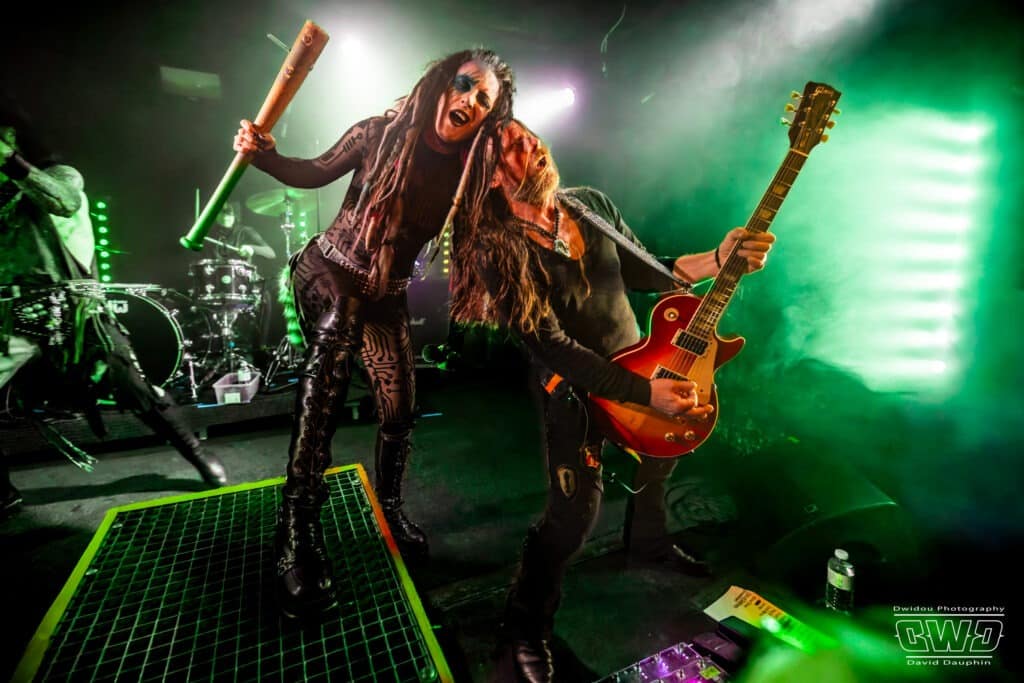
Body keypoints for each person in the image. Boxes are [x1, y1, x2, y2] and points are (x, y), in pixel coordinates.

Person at [450, 119, 775, 681]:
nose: (532, 144)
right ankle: (524, 628)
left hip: (642, 368)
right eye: (513, 146)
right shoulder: (496, 249)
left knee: (660, 459)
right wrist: (647, 393)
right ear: (492, 176)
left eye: (528, 134)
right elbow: (554, 347)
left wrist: (720, 259)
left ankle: (648, 545)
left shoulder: (589, 205)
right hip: (574, 391)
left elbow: (652, 271)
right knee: (573, 518)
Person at [233, 48, 515, 618]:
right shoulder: (376, 134)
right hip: (328, 269)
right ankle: (296, 527)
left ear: (488, 118)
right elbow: (311, 172)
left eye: (483, 99)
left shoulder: (469, 175)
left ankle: (388, 507)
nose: (469, 100)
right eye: (465, 85)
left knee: (399, 406)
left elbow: (499, 231)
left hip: (384, 293)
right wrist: (264, 156)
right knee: (334, 352)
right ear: (442, 83)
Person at [0, 93, 227, 517]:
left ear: (14, 135)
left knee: (134, 387)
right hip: (11, 318)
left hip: (70, 312)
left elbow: (64, 201)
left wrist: (9, 162)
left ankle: (197, 454)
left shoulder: (59, 175)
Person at [211, 201, 276, 261]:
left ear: (235, 215)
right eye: (221, 213)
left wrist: (251, 248)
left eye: (229, 213)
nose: (225, 217)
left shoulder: (245, 231)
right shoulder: (211, 233)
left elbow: (271, 253)